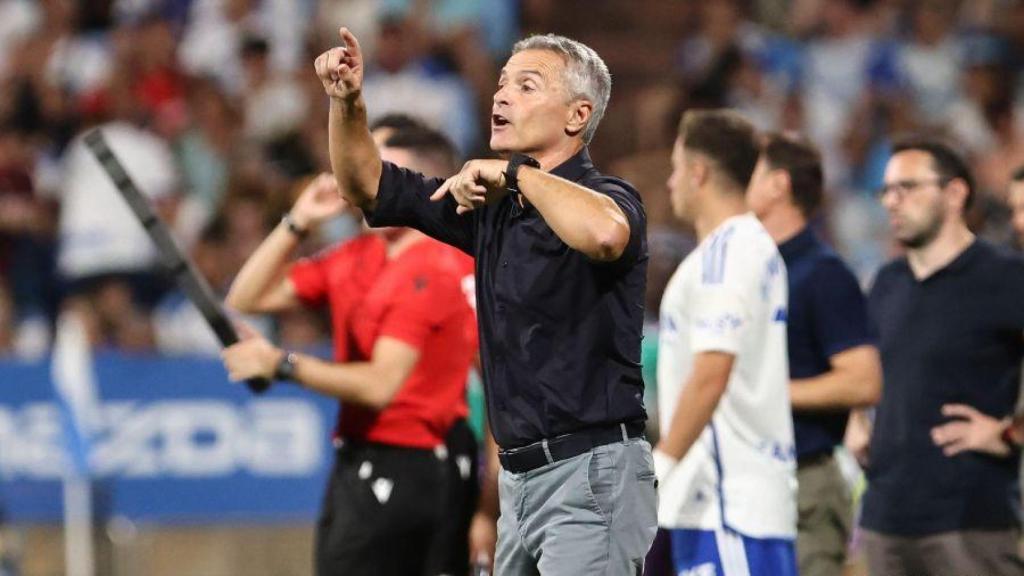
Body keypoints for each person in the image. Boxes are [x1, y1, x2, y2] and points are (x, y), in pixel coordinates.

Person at [314, 27, 657, 574]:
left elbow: (605, 234)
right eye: (501, 84)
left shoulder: (610, 197)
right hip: (518, 483)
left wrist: (515, 174)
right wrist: (347, 102)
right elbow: (366, 185)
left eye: (526, 86)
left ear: (577, 116)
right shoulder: (493, 210)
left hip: (591, 472)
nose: (502, 96)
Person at [220, 122, 478, 576]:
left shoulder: (436, 267)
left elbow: (381, 385)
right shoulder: (357, 254)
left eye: (374, 165)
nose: (354, 175)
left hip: (410, 464)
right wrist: (297, 221)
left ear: (419, 182)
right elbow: (245, 298)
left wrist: (281, 364)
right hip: (370, 456)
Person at [860, 138, 1024, 575]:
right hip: (885, 520)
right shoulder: (886, 282)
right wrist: (854, 420)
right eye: (886, 190)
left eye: (908, 187)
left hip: (970, 522)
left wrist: (1009, 433)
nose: (892, 201)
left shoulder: (1006, 276)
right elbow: (861, 368)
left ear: (955, 193)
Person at [654, 109, 798, 575]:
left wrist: (662, 464)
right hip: (741, 499)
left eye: (676, 168)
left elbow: (712, 372)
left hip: (725, 503)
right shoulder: (754, 247)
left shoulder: (725, 257)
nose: (671, 182)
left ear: (698, 173)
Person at [745, 131, 882, 576]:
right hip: (748, 482)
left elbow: (862, 380)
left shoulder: (823, 272)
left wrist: (767, 392)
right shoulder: (749, 265)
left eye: (750, 170)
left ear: (778, 185)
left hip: (804, 483)